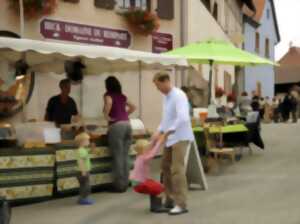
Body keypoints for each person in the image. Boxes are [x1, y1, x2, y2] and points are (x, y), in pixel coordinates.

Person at [152, 72, 194, 215]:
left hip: (180, 136)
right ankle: (169, 199)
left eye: (158, 85)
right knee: (165, 167)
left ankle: (181, 204)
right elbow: (167, 118)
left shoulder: (179, 95)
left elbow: (182, 118)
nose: (157, 89)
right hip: (170, 137)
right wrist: (158, 131)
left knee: (177, 170)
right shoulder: (166, 97)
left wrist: (167, 132)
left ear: (165, 81)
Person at [103, 76, 136, 192]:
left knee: (117, 156)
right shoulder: (122, 96)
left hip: (116, 126)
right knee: (125, 155)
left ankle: (119, 186)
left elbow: (108, 103)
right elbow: (133, 107)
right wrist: (124, 114)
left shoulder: (108, 95)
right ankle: (126, 183)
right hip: (128, 124)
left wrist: (107, 116)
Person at [75, 129, 95, 205]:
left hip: (83, 171)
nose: (88, 142)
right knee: (86, 186)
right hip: (82, 171)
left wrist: (92, 149)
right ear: (82, 142)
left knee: (83, 185)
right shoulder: (81, 151)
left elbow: (88, 154)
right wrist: (83, 171)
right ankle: (84, 198)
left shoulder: (83, 150)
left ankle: (82, 197)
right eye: (87, 140)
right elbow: (80, 161)